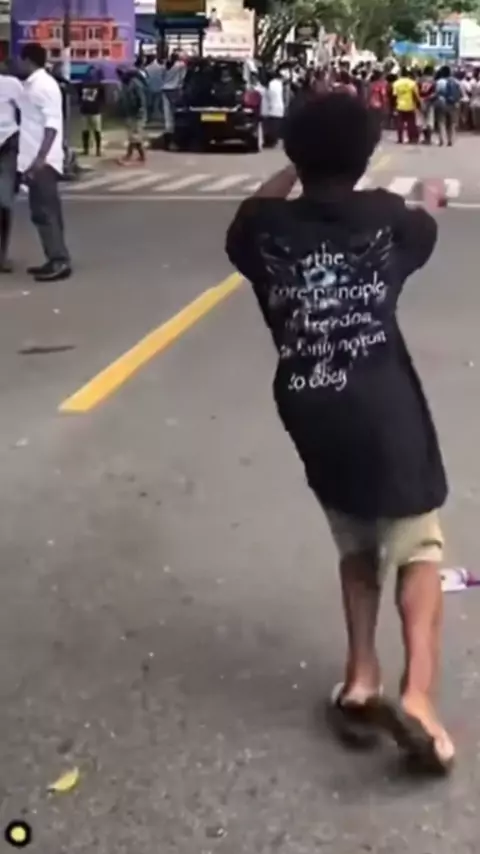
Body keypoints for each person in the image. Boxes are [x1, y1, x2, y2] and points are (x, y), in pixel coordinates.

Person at [225, 92, 454, 776]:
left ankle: (360, 677)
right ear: (364, 155)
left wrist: (292, 168)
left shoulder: (265, 229)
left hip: (309, 408)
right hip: (383, 408)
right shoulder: (384, 217)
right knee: (418, 546)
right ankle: (418, 700)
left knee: (355, 540)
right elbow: (424, 224)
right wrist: (430, 199)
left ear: (295, 153)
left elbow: (249, 212)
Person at [18, 43, 71, 282]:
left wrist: (41, 158)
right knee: (40, 213)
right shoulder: (31, 85)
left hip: (44, 162)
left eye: (19, 60)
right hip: (33, 159)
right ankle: (53, 257)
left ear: (27, 60)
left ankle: (60, 260)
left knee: (47, 212)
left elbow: (52, 125)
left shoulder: (44, 86)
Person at [0, 61, 23, 272]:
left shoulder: (11, 84)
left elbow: (26, 111)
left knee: (4, 201)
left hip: (7, 144)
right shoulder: (12, 83)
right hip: (9, 142)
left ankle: (2, 256)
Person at [116, 66, 148, 165]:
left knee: (135, 136)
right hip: (130, 113)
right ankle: (140, 156)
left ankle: (131, 155)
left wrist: (140, 111)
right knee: (133, 136)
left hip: (137, 113)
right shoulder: (125, 84)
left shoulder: (135, 84)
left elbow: (141, 99)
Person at [78, 66, 105, 157]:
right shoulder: (82, 84)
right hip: (85, 110)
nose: (91, 75)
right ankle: (86, 149)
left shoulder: (99, 86)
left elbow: (102, 99)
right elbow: (79, 96)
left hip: (95, 111)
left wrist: (98, 107)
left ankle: (98, 149)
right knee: (85, 131)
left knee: (97, 131)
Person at [435, 65, 461, 147]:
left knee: (441, 122)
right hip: (452, 104)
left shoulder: (439, 82)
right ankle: (450, 140)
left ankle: (441, 140)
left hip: (441, 103)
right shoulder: (456, 81)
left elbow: (436, 92)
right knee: (451, 123)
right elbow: (459, 93)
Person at [393, 67, 419, 143]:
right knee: (411, 123)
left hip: (399, 105)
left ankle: (400, 139)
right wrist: (418, 104)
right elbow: (416, 95)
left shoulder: (396, 83)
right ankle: (411, 139)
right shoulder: (412, 83)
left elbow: (394, 96)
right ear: (408, 74)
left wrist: (394, 106)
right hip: (410, 105)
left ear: (400, 74)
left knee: (400, 123)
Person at [418, 65, 436, 144]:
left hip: (421, 101)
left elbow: (416, 91)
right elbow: (435, 92)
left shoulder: (420, 80)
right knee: (430, 121)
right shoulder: (433, 81)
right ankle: (429, 139)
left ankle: (425, 138)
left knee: (422, 121)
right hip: (430, 102)